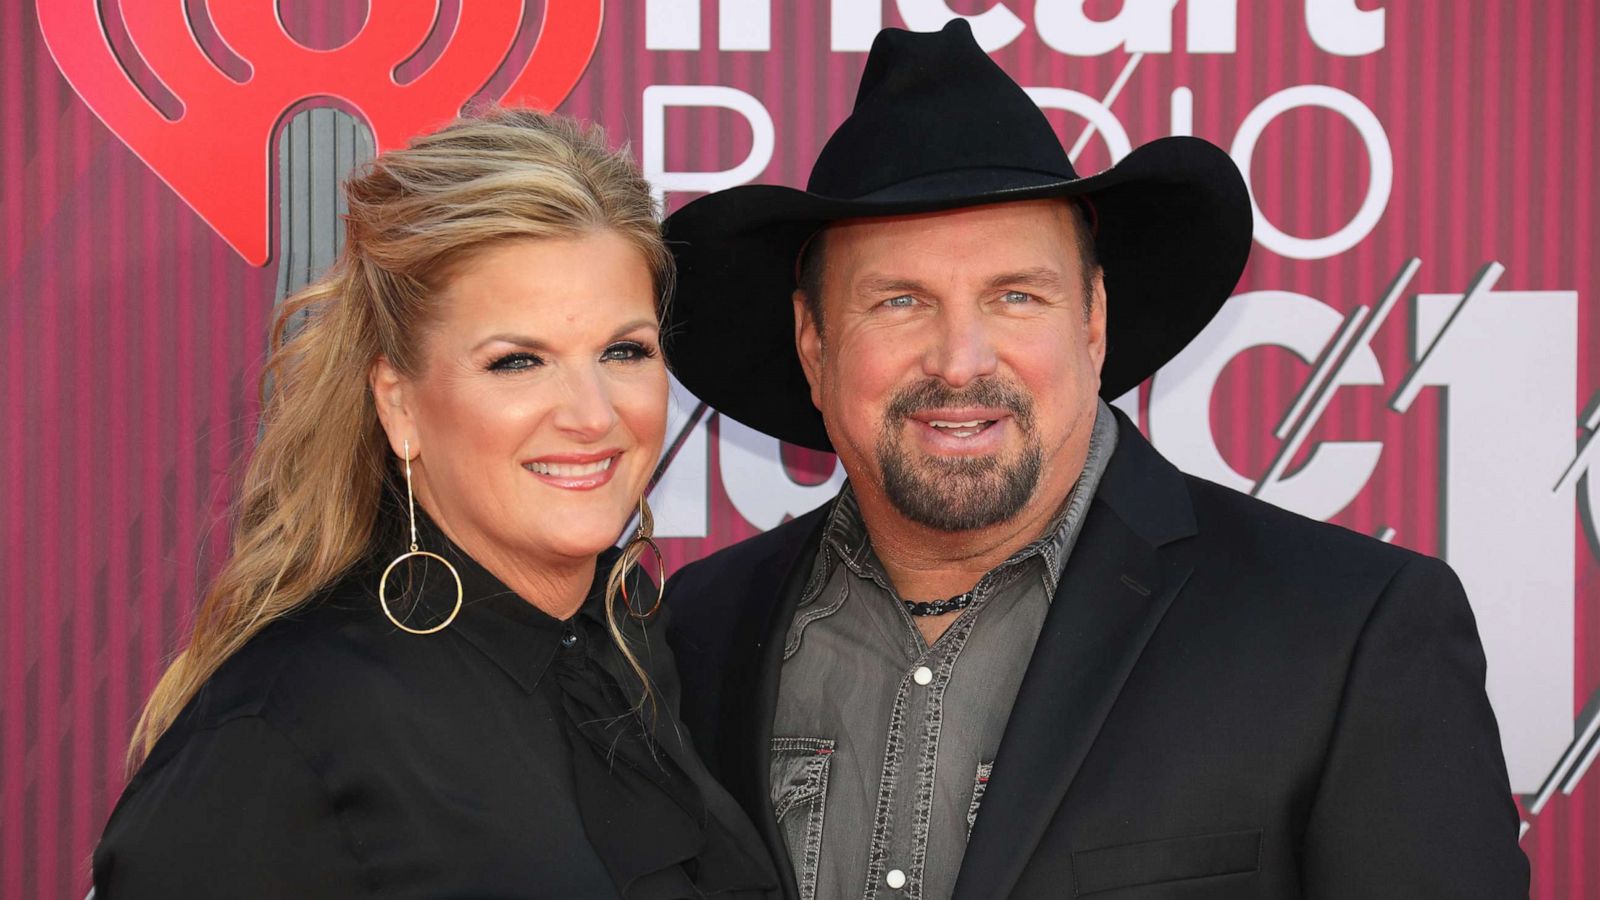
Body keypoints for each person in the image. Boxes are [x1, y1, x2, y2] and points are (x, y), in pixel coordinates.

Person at [660, 21, 1528, 900]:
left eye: (1016, 295)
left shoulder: (1350, 632)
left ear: (1092, 320)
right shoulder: (695, 630)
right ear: (814, 345)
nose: (961, 360)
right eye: (898, 301)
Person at [93, 108, 777, 899]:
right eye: (518, 361)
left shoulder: (632, 645)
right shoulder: (286, 721)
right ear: (400, 406)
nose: (593, 414)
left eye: (624, 351)